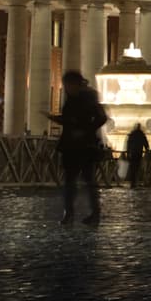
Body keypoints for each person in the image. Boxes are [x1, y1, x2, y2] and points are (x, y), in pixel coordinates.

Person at [48, 69, 108, 225]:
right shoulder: (71, 98)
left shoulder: (88, 98)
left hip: (85, 146)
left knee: (88, 182)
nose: (66, 88)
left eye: (67, 84)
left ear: (75, 84)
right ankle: (69, 214)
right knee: (70, 182)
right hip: (70, 146)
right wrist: (56, 119)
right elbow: (70, 120)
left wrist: (84, 130)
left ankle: (94, 214)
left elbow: (101, 118)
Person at [124, 123, 149, 188]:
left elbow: (128, 144)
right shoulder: (141, 134)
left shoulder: (132, 134)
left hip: (132, 153)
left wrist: (128, 152)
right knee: (137, 167)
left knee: (133, 168)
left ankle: (133, 182)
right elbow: (145, 143)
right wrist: (147, 150)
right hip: (138, 153)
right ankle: (136, 181)